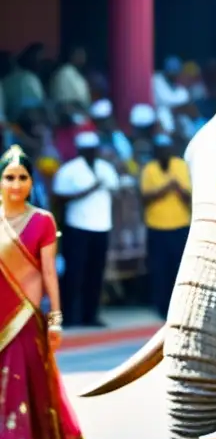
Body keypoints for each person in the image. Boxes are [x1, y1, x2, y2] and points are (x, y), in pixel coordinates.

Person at [0, 146, 87, 439]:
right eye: (9, 177)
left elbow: (49, 272)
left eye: (22, 177)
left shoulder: (43, 221)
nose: (16, 183)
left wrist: (56, 320)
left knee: (15, 391)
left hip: (24, 320)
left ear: (31, 182)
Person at [51, 132, 119, 327]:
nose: (92, 152)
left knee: (95, 273)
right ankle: (69, 316)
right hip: (77, 227)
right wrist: (87, 191)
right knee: (74, 273)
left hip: (101, 225)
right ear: (80, 150)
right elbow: (58, 198)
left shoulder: (105, 168)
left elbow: (115, 189)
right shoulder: (69, 170)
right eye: (87, 150)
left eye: (94, 149)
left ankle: (91, 315)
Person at [139, 134, 191, 317]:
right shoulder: (149, 169)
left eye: (166, 149)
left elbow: (188, 196)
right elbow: (145, 197)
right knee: (159, 268)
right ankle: (162, 307)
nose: (164, 153)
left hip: (180, 225)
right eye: (160, 150)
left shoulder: (181, 166)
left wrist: (175, 187)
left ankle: (181, 305)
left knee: (180, 268)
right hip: (157, 226)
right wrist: (166, 188)